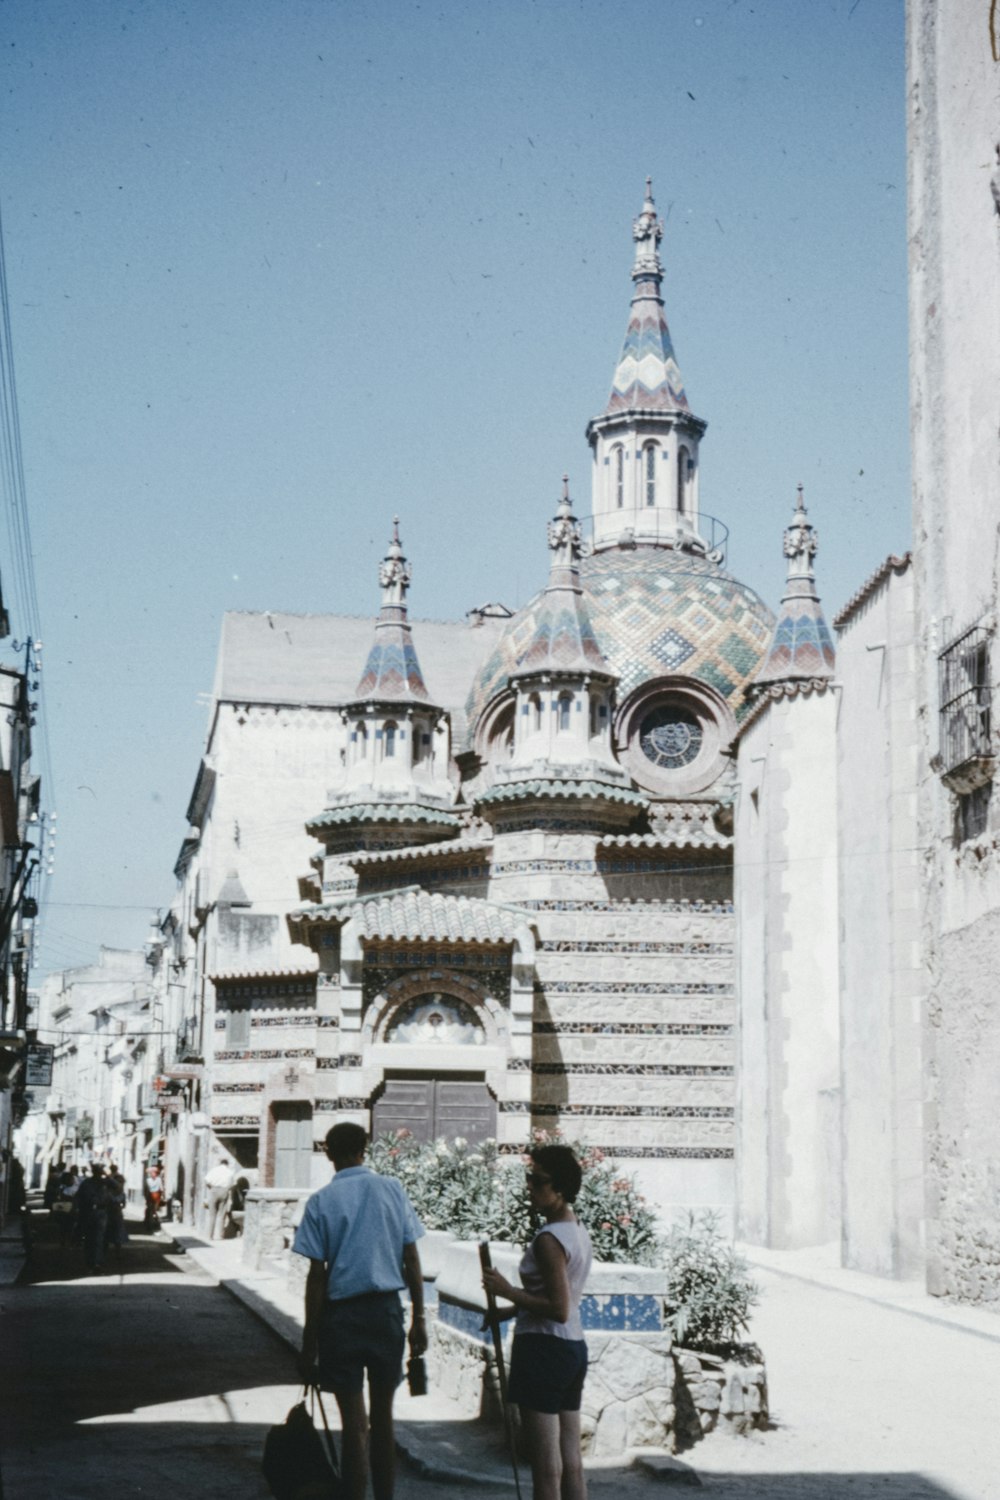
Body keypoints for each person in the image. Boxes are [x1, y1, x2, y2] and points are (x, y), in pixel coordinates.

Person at [293, 1121, 427, 1500]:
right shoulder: (392, 1190)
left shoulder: (321, 1202)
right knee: (383, 1420)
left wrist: (309, 1345)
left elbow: (316, 1278)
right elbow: (412, 1258)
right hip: (386, 1314)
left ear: (329, 1153)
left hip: (342, 1320)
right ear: (364, 1149)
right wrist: (419, 1320)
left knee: (355, 1426)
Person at [482, 1145, 593, 1500]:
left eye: (538, 1180)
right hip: (572, 1347)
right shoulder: (576, 1230)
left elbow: (557, 1307)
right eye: (529, 1177)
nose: (530, 1186)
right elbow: (562, 1300)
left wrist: (507, 1291)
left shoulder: (549, 1240)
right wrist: (510, 1310)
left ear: (560, 1188)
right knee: (570, 1460)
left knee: (546, 1466)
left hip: (544, 1350)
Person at [204, 1152, 234, 1239]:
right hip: (224, 1191)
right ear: (227, 1164)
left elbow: (206, 1181)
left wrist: (211, 1188)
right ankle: (220, 1235)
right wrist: (226, 1189)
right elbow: (232, 1184)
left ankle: (210, 1236)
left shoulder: (214, 1170)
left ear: (221, 1163)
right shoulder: (230, 1172)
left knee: (212, 1215)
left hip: (214, 1190)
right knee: (221, 1215)